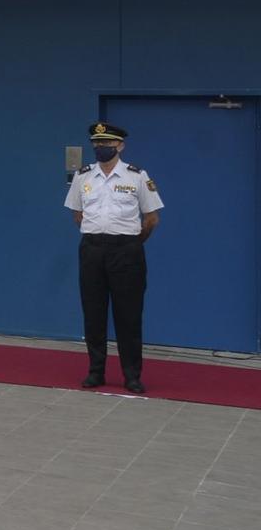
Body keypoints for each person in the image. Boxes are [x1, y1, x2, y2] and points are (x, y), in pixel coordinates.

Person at [68, 121, 163, 394]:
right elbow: (78, 215)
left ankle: (131, 375)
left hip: (127, 252)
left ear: (120, 145)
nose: (101, 148)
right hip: (92, 250)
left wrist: (131, 243)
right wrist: (99, 237)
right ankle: (95, 371)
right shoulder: (83, 176)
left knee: (128, 316)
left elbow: (152, 219)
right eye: (97, 144)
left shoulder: (137, 177)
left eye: (107, 144)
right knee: (93, 313)